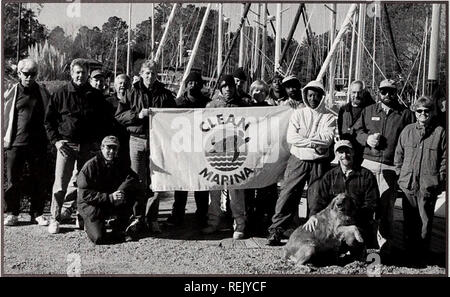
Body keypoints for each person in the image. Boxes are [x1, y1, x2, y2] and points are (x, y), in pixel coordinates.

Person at [44, 58, 111, 234]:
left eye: (83, 72)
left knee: (84, 184)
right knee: (60, 184)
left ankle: (80, 216)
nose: (80, 75)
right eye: (77, 72)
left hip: (88, 147)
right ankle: (55, 218)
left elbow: (103, 121)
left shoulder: (95, 96)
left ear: (88, 74)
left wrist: (98, 143)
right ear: (72, 74)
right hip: (66, 145)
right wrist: (56, 141)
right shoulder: (61, 93)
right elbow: (49, 120)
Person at [267, 80, 336, 246]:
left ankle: (314, 232)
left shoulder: (329, 117)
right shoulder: (298, 114)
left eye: (316, 95)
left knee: (317, 198)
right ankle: (277, 229)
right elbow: (292, 138)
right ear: (305, 96)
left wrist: (305, 139)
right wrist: (313, 142)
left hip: (319, 162)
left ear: (321, 96)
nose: (312, 99)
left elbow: (327, 140)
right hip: (298, 159)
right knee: (288, 194)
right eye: (310, 95)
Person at [353, 79, 415, 250]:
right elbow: (357, 131)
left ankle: (385, 242)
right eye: (383, 91)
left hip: (390, 167)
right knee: (365, 204)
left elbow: (411, 139)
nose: (387, 95)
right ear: (378, 92)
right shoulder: (368, 110)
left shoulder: (406, 114)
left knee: (386, 207)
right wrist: (367, 139)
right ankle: (363, 241)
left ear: (396, 92)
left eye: (391, 91)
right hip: (368, 165)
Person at [115, 60, 176, 233]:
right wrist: (137, 114)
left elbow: (174, 117)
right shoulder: (131, 92)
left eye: (153, 73)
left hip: (158, 141)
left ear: (157, 75)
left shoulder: (165, 94)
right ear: (141, 74)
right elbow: (120, 115)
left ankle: (153, 218)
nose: (150, 76)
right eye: (147, 73)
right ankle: (138, 217)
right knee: (138, 181)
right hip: (137, 140)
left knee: (157, 181)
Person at [394, 96, 446, 265]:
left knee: (425, 223)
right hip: (408, 184)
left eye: (426, 111)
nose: (423, 114)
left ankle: (422, 256)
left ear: (432, 112)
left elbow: (445, 159)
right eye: (419, 111)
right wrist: (401, 174)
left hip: (427, 186)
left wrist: (440, 180)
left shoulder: (440, 132)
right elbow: (398, 155)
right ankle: (409, 255)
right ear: (415, 113)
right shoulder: (407, 131)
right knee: (409, 222)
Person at [304, 140, 379, 248]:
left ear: (353, 153)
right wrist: (313, 216)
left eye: (348, 152)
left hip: (357, 223)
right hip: (334, 225)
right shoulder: (329, 176)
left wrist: (353, 216)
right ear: (336, 155)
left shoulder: (366, 175)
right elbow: (320, 200)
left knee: (355, 244)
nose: (345, 155)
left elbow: (372, 203)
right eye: (341, 152)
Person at [3, 58, 50, 226]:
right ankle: (12, 213)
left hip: (38, 144)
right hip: (16, 143)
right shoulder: (11, 92)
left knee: (38, 179)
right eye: (26, 74)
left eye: (33, 74)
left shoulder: (42, 92)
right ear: (19, 74)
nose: (30, 77)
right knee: (13, 180)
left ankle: (37, 213)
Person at [202, 75, 249, 239]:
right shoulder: (212, 105)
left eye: (230, 87)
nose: (228, 90)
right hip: (216, 154)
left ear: (235, 88)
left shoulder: (242, 105)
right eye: (224, 87)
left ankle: (239, 224)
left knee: (236, 192)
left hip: (236, 154)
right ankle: (213, 222)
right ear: (220, 89)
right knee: (214, 190)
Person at [77, 136, 144, 244]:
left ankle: (120, 227)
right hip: (91, 204)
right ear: (102, 148)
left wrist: (120, 191)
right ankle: (85, 220)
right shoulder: (90, 166)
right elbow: (84, 194)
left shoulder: (119, 163)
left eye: (115, 148)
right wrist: (109, 197)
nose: (111, 151)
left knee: (135, 190)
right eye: (108, 148)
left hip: (110, 201)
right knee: (98, 238)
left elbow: (132, 178)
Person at [166, 71, 210, 227]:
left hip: (201, 149)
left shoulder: (208, 104)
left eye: (197, 83)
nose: (193, 85)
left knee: (202, 185)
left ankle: (202, 215)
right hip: (183, 149)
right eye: (190, 83)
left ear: (201, 85)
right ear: (186, 85)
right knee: (181, 184)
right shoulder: (177, 103)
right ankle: (177, 215)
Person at [337, 80, 375, 164]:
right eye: (354, 92)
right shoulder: (343, 110)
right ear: (350, 93)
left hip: (363, 153)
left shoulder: (370, 110)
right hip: (346, 152)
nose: (356, 95)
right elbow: (340, 130)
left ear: (364, 92)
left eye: (359, 92)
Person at [105, 74, 132, 166]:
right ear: (115, 86)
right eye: (120, 83)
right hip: (113, 139)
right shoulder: (108, 102)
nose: (123, 85)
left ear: (130, 86)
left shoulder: (134, 102)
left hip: (129, 139)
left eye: (126, 83)